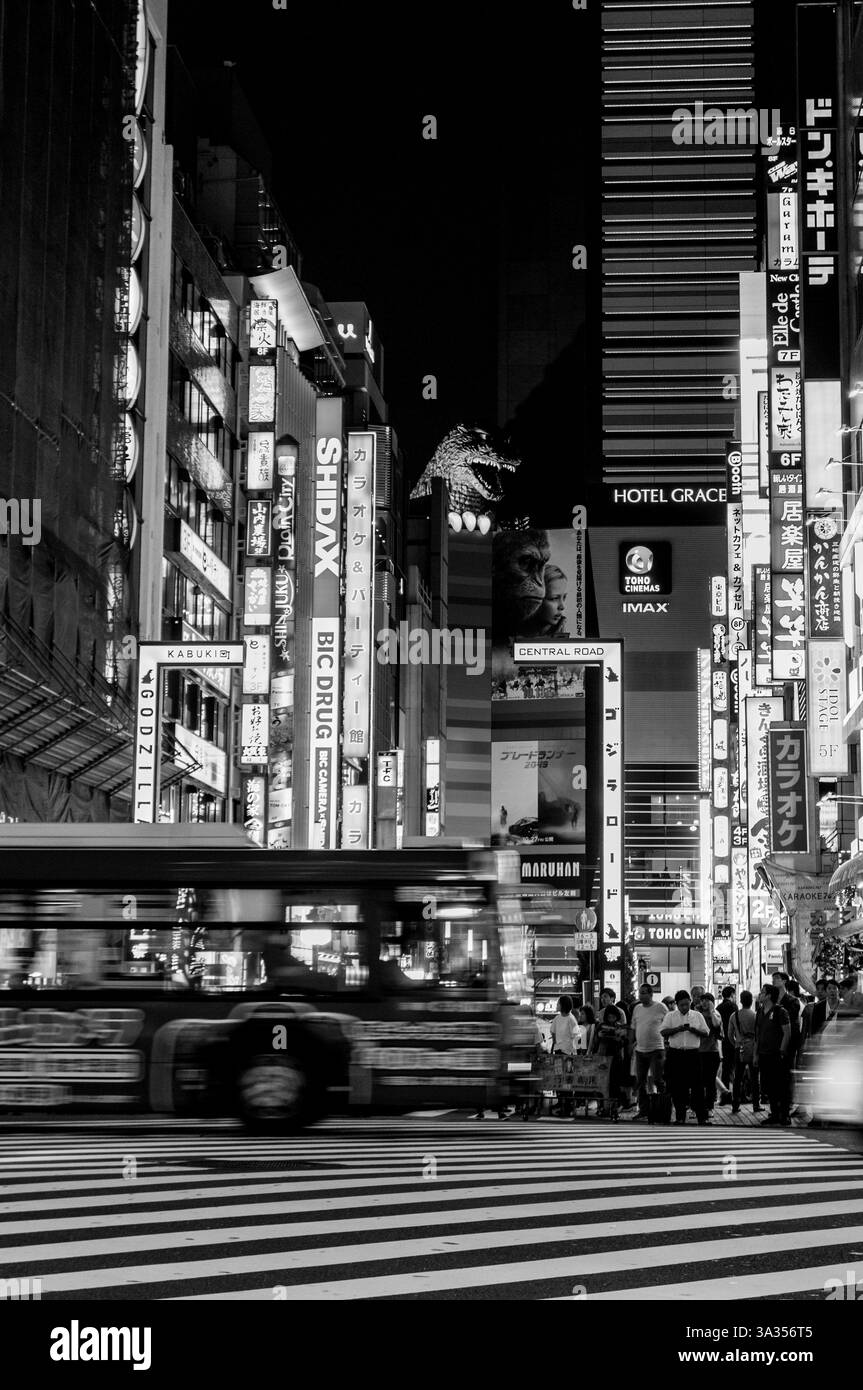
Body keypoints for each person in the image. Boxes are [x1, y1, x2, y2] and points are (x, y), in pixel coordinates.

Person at [660, 990, 710, 1124]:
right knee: (677, 1087)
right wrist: (677, 1029)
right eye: (681, 1005)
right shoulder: (670, 1016)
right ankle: (680, 1117)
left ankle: (702, 1117)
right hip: (675, 1054)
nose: (684, 1008)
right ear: (677, 1004)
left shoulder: (697, 1015)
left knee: (697, 1086)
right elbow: (663, 1031)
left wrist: (694, 1030)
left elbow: (706, 1033)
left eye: (687, 1004)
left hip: (692, 1054)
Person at [755, 984, 792, 1125]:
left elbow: (787, 1033)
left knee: (781, 1085)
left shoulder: (780, 1011)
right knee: (769, 1086)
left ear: (769, 995)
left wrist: (782, 1051)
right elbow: (758, 1034)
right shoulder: (760, 1011)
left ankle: (785, 1115)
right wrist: (756, 1054)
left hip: (777, 1055)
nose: (760, 995)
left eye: (762, 992)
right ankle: (774, 1113)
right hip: (764, 1054)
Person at [630, 983, 668, 1119]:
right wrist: (631, 1043)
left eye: (644, 992)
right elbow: (633, 1027)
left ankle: (664, 1107)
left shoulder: (660, 1007)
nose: (641, 995)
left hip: (656, 1049)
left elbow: (668, 1023)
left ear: (651, 994)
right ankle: (644, 1109)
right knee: (641, 1080)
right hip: (640, 1050)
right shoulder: (637, 1008)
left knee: (658, 1080)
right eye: (640, 993)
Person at [592, 1005, 629, 1120]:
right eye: (609, 1017)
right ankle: (601, 1107)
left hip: (616, 1058)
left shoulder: (620, 1026)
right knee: (601, 1083)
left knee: (614, 1084)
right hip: (603, 1057)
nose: (611, 1019)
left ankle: (613, 1108)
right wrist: (599, 1036)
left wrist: (620, 1038)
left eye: (613, 1017)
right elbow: (594, 1042)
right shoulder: (600, 1026)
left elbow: (625, 1042)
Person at [772, 972, 800, 1117]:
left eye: (777, 978)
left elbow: (793, 1022)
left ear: (784, 981)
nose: (774, 981)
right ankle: (777, 1106)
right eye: (773, 979)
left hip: (788, 1042)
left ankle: (787, 1104)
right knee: (775, 1075)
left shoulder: (792, 1000)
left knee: (786, 1073)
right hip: (774, 1042)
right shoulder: (772, 1000)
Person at [728, 989, 761, 1114]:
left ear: (740, 1001)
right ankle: (756, 1105)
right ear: (751, 1001)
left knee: (738, 1078)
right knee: (754, 1078)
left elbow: (729, 1034)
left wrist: (736, 1043)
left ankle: (735, 1105)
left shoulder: (734, 1015)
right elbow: (759, 1034)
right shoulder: (756, 1015)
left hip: (739, 1048)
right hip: (753, 1048)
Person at [549, 994, 579, 1117]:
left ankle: (567, 1105)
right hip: (558, 1051)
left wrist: (569, 1046)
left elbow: (577, 1036)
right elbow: (553, 1032)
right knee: (559, 1078)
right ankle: (561, 1102)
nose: (557, 1005)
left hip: (568, 1053)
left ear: (564, 1005)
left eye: (559, 1003)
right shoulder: (557, 1018)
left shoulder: (571, 1019)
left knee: (566, 1079)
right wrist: (556, 1044)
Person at [696, 993, 724, 1119]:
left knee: (710, 1081)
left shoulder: (716, 1014)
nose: (704, 1003)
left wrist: (712, 1010)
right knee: (699, 1081)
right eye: (703, 1000)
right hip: (698, 1051)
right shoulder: (697, 1014)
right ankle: (699, 1107)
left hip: (712, 1052)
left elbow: (717, 1024)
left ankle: (710, 1107)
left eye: (707, 1000)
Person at [717, 985, 738, 1091]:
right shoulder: (733, 1006)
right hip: (732, 1040)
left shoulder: (718, 1008)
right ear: (732, 995)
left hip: (722, 1042)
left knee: (725, 1068)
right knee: (732, 1068)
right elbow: (736, 1025)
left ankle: (725, 1091)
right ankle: (732, 1092)